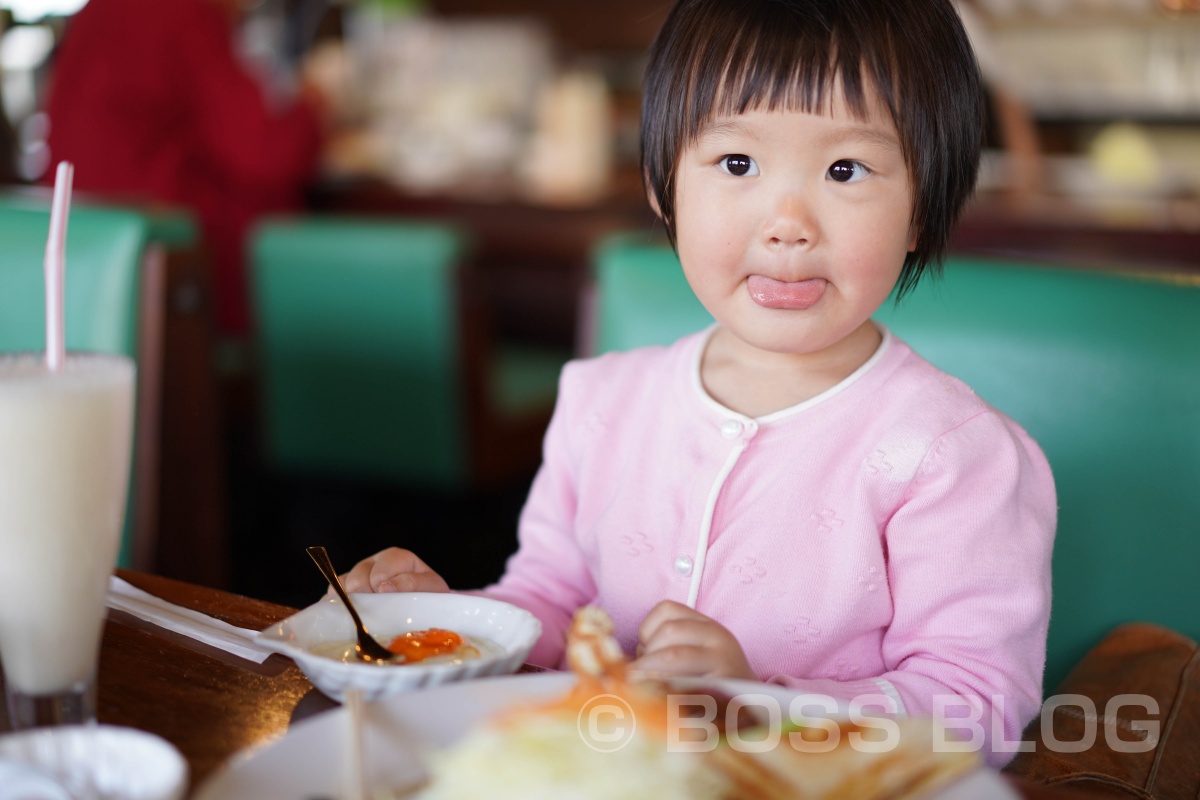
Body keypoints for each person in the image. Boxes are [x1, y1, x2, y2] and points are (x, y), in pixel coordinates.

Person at [343, 0, 1056, 768]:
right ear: (665, 187)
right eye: (737, 163)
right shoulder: (602, 403)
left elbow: (980, 707)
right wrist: (441, 621)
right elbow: (547, 601)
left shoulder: (953, 455)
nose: (788, 223)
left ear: (923, 207)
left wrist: (757, 701)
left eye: (845, 169)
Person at [42, 0, 326, 337]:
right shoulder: (186, 11)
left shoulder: (100, 8)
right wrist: (316, 105)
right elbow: (266, 152)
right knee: (314, 256)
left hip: (83, 248)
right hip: (164, 254)